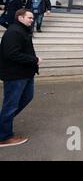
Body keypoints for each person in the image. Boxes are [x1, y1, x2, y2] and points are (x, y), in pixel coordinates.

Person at [0, 9, 41, 147]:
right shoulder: (14, 32)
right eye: (29, 17)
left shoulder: (22, 31)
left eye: (32, 18)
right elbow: (12, 54)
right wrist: (34, 60)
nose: (32, 20)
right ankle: (4, 136)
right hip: (15, 75)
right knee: (10, 105)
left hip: (24, 74)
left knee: (26, 97)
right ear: (20, 18)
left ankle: (3, 123)